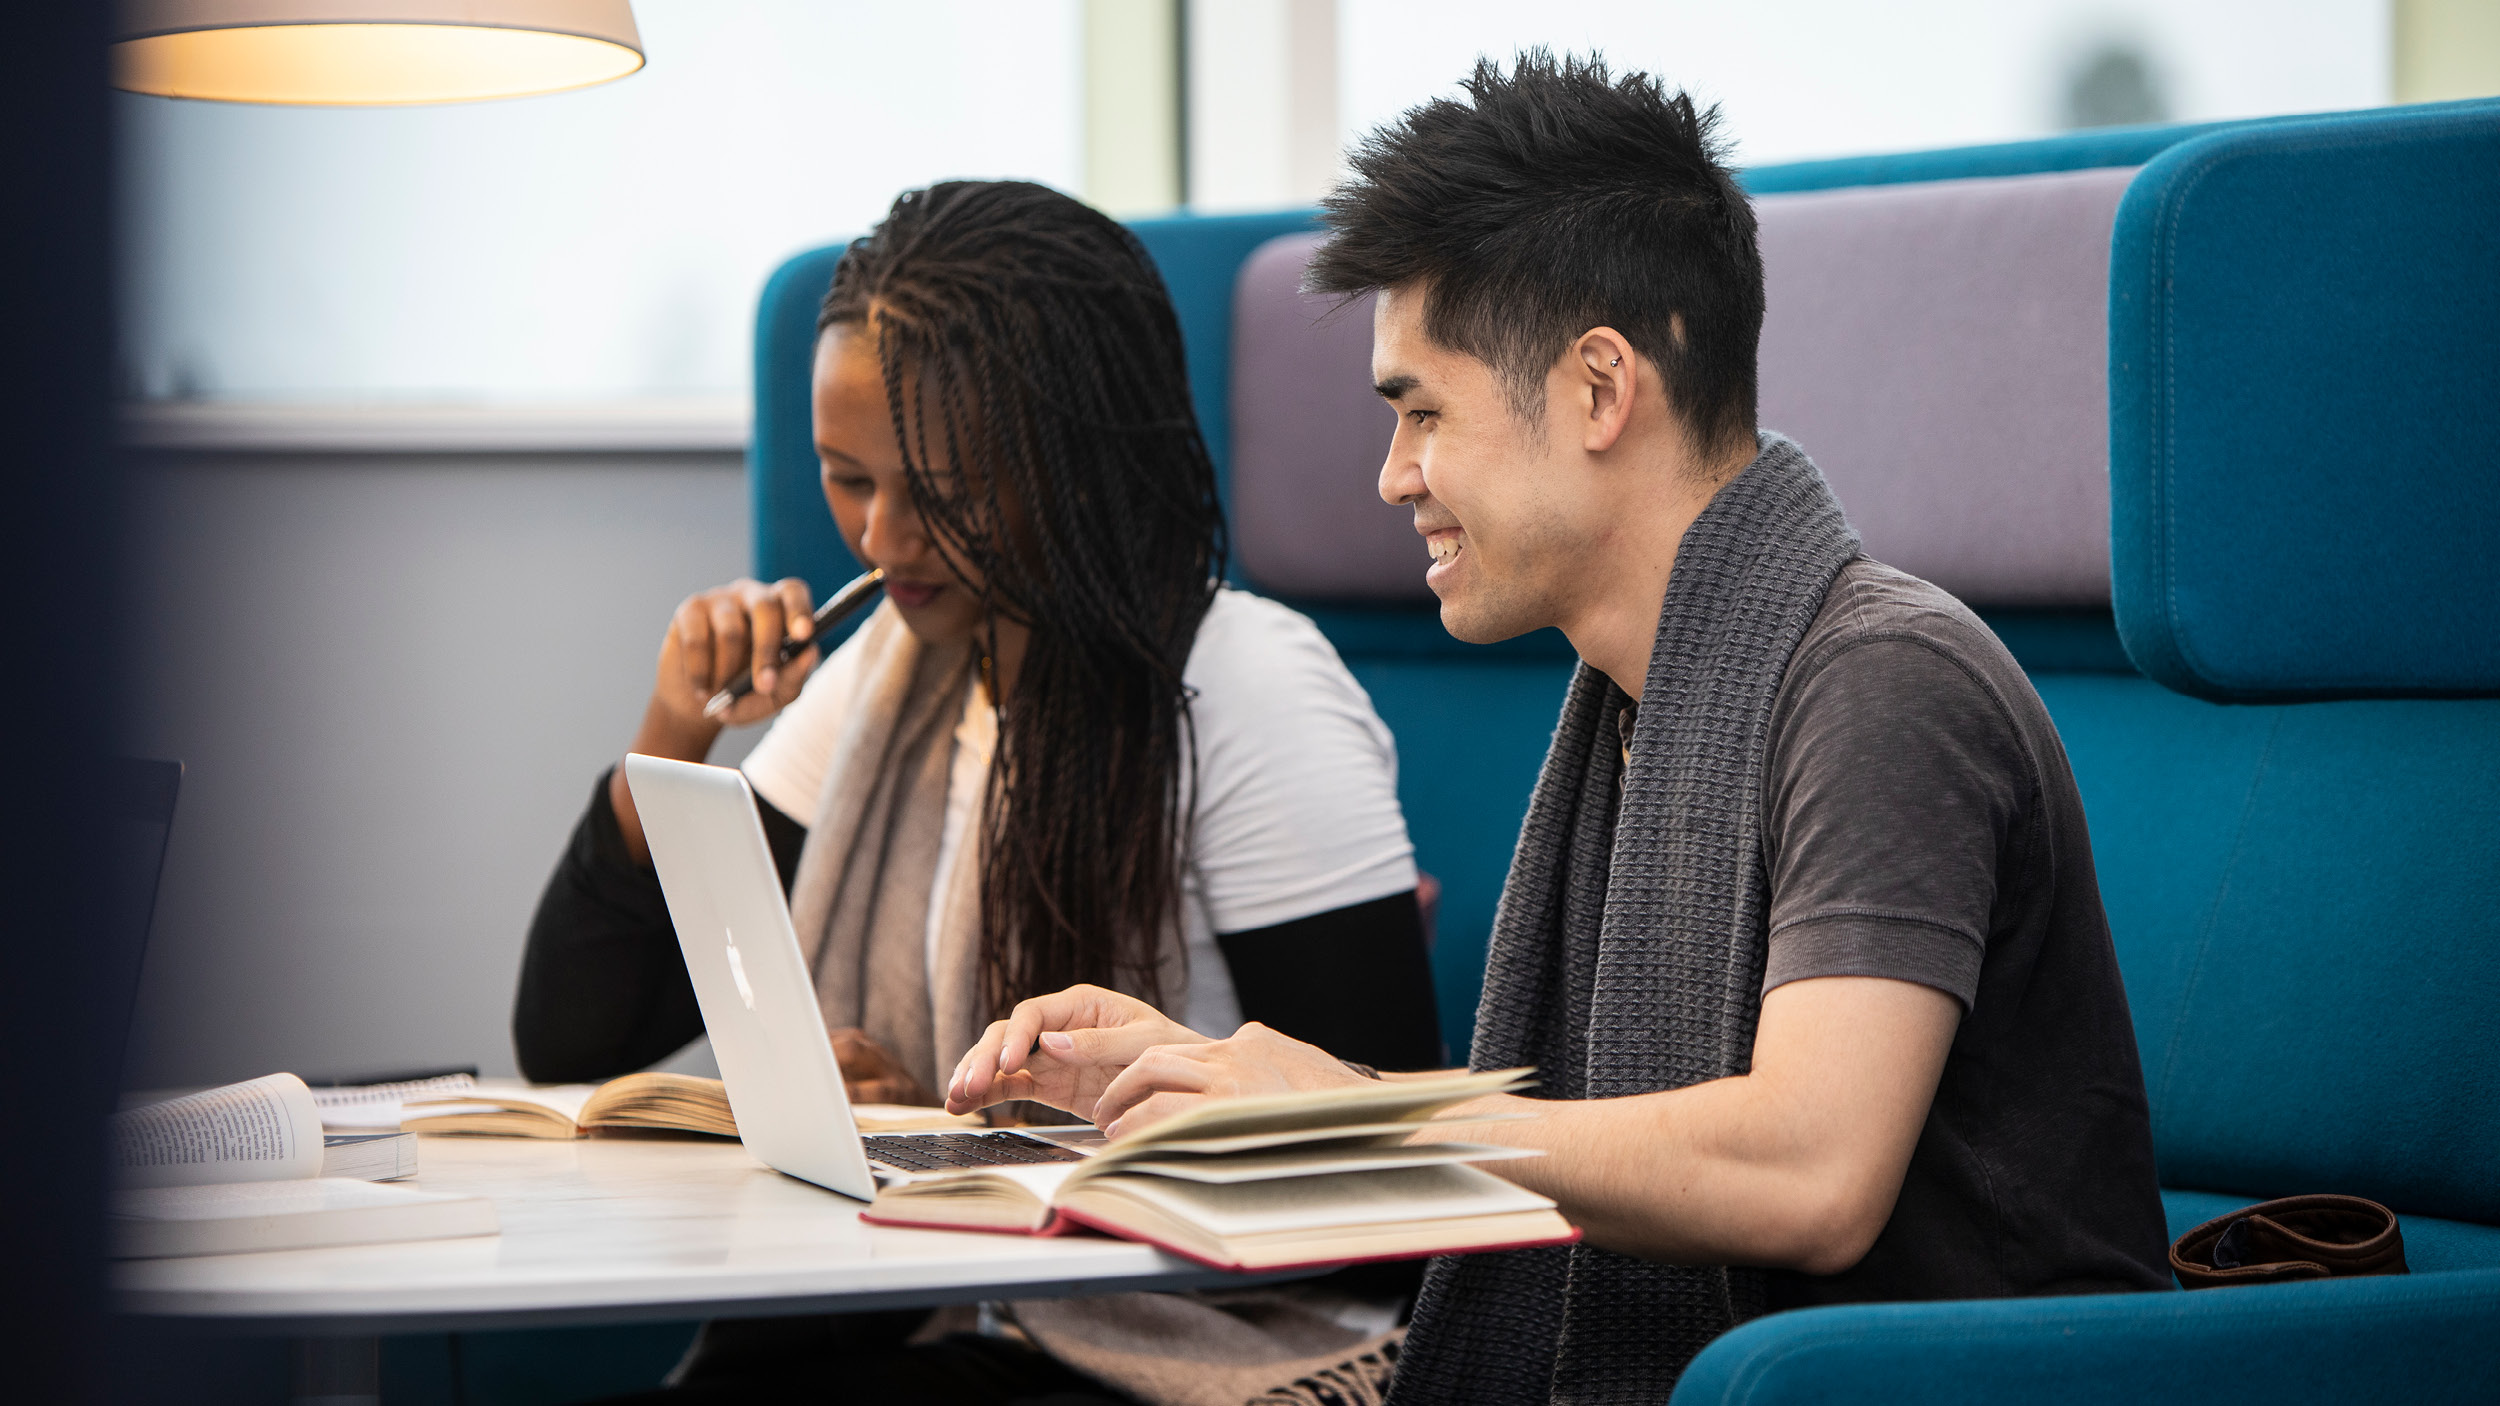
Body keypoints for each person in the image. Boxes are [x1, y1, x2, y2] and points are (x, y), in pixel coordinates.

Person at [944, 52, 2174, 1401]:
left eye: (1423, 409)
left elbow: (1809, 1173)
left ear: (1598, 387)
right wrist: (1231, 1094)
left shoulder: (1882, 683)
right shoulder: (1634, 707)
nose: (1393, 472)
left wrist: (1352, 1123)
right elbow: (1590, 1147)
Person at [515, 179, 1443, 1404]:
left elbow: (1385, 1194)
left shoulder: (1246, 685)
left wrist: (965, 1141)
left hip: (1185, 1337)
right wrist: (677, 729)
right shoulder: (888, 675)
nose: (884, 539)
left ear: (1074, 464)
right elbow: (573, 1041)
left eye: (940, 494)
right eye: (849, 480)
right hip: (927, 1301)